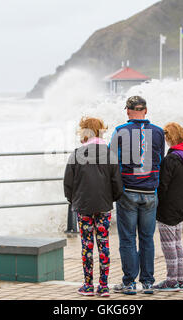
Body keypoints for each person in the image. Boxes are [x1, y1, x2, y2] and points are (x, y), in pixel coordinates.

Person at [109, 96, 165, 295]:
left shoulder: (120, 131)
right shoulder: (159, 132)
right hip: (150, 192)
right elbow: (161, 160)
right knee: (147, 239)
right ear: (146, 111)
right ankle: (148, 283)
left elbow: (110, 160)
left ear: (128, 111)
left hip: (128, 192)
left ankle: (129, 283)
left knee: (127, 239)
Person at [63, 117, 123, 297]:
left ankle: (88, 286)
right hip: (103, 206)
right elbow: (117, 184)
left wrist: (73, 200)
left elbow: (68, 183)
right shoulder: (109, 154)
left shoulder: (77, 153)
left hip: (83, 207)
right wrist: (110, 199)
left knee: (87, 245)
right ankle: (103, 286)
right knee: (103, 244)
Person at [153, 122, 183, 292]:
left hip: (167, 207)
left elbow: (162, 185)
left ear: (170, 137)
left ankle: (171, 281)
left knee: (168, 245)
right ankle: (181, 279)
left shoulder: (171, 158)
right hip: (180, 204)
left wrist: (157, 203)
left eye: (166, 137)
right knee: (177, 243)